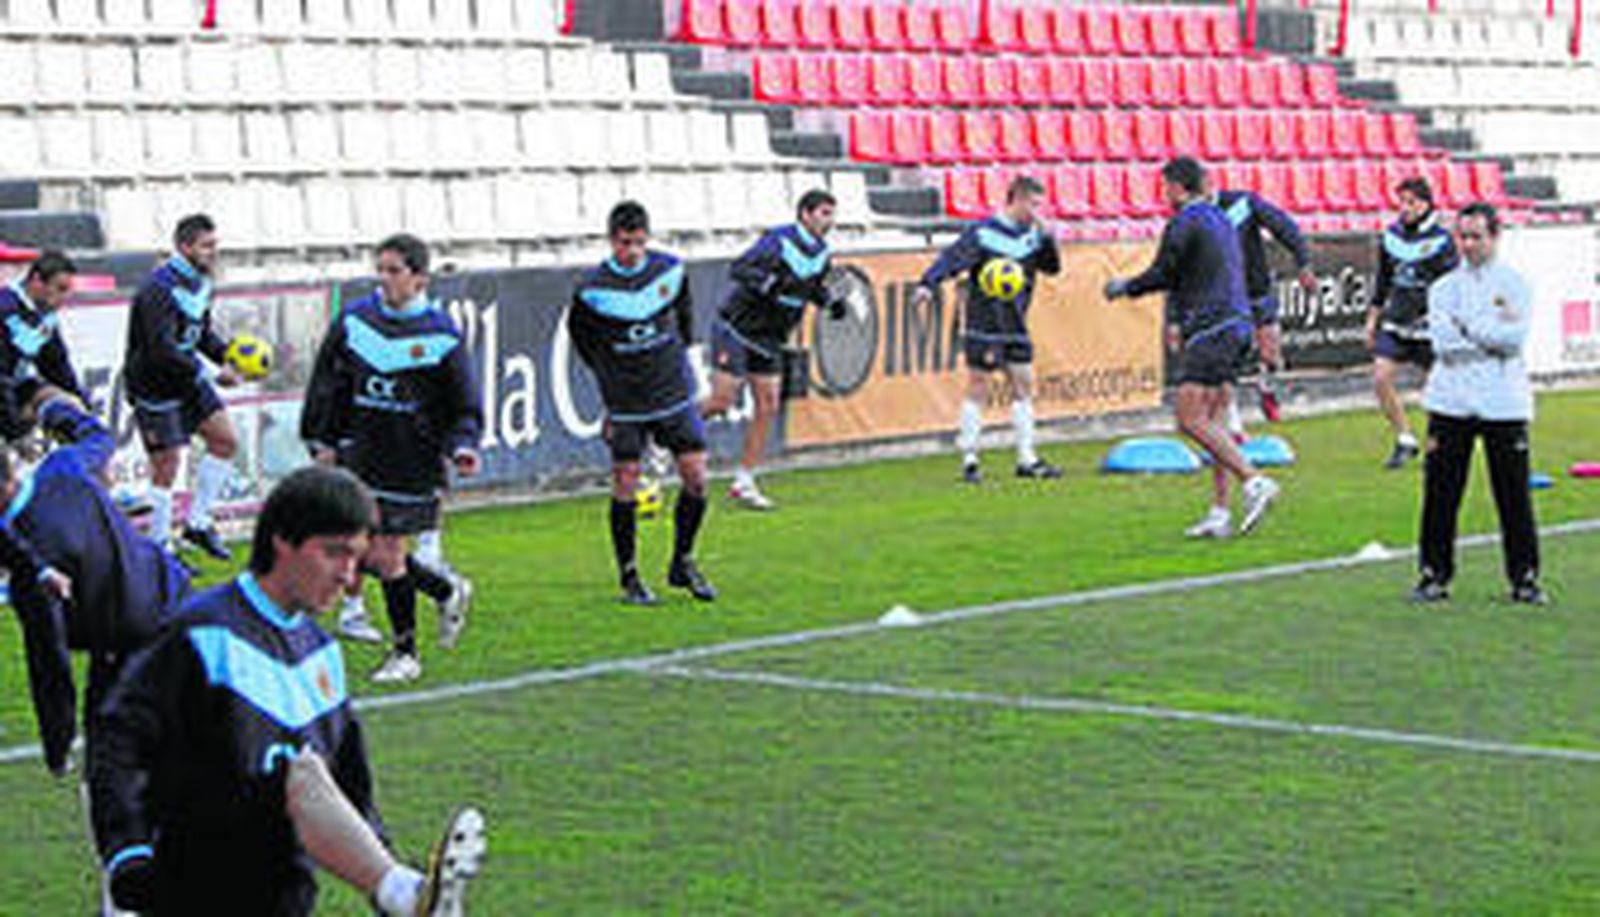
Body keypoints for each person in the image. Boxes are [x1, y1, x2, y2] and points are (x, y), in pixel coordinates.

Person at [88, 466, 486, 915]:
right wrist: (128, 855)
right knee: (302, 775)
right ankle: (404, 895)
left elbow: (351, 788)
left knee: (309, 773)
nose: (347, 576)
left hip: (282, 900)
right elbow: (116, 741)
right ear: (282, 541)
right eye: (334, 553)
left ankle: (403, 894)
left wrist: (379, 857)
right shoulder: (202, 632)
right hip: (189, 889)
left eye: (356, 558)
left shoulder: (323, 655)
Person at [302, 234, 481, 683]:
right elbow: (329, 383)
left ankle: (407, 653)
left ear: (419, 278)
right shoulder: (355, 322)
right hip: (360, 452)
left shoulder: (441, 334)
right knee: (368, 551)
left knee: (383, 553)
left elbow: (464, 401)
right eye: (380, 270)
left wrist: (463, 445)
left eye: (394, 271)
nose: (384, 279)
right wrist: (321, 437)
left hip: (411, 459)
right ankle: (443, 589)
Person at [0, 393, 189, 777]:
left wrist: (58, 741)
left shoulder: (30, 556)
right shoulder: (62, 466)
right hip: (175, 594)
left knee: (116, 765)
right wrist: (56, 411)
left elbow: (49, 658)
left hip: (132, 637)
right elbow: (98, 436)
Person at [1104, 157, 1281, 538]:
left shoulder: (1184, 221)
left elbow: (1164, 273)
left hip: (1211, 328)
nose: (1163, 194)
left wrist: (1125, 287)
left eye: (1165, 187)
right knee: (1215, 422)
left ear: (1178, 187)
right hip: (1237, 324)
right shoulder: (1221, 219)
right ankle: (1219, 513)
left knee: (1189, 418)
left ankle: (1254, 481)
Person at [569, 201, 716, 606]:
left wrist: (684, 364)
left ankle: (682, 561)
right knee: (626, 480)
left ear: (647, 238)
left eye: (637, 242)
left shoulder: (670, 270)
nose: (630, 251)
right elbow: (584, 342)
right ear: (610, 240)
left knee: (697, 477)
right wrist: (609, 391)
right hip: (627, 399)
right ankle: (629, 575)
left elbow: (685, 320)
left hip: (672, 390)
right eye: (622, 243)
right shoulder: (591, 290)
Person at [1413, 202, 1545, 605]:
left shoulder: (1515, 283)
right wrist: (1487, 336)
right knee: (1441, 494)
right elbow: (1444, 345)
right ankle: (1434, 574)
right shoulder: (1443, 288)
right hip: (1450, 400)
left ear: (1495, 237)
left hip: (1503, 402)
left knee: (1513, 495)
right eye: (1463, 236)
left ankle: (1524, 577)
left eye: (1476, 236)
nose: (1468, 244)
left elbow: (1513, 339)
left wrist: (1470, 327)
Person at [912, 174, 1064, 484]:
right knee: (978, 385)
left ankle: (1026, 458)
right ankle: (969, 458)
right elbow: (952, 259)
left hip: (1016, 322)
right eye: (1033, 204)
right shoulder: (983, 233)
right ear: (1017, 199)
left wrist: (1049, 240)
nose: (1037, 211)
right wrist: (929, 284)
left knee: (1023, 385)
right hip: (984, 322)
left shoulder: (1033, 235)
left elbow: (1052, 268)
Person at [699, 189, 842, 510]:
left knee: (767, 404)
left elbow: (812, 288)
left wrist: (830, 302)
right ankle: (663, 436)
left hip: (770, 337)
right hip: (737, 327)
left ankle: (744, 481)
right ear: (805, 214)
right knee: (721, 401)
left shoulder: (822, 253)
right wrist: (769, 284)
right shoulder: (778, 241)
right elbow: (740, 268)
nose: (829, 221)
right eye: (823, 213)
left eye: (832, 214)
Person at [124, 213, 245, 561]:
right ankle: (161, 548)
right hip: (155, 385)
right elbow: (160, 350)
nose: (213, 253)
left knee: (225, 441)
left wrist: (229, 357)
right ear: (184, 246)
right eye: (206, 246)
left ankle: (198, 522)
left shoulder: (201, 282)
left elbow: (200, 333)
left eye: (215, 245)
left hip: (187, 379)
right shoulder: (157, 289)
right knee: (167, 466)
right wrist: (209, 374)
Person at [1367, 177, 1459, 469]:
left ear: (1425, 203)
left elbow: (1453, 286)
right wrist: (1371, 320)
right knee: (1381, 378)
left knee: (1437, 390)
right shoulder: (1391, 237)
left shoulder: (1442, 241)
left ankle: (1437, 445)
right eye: (1401, 202)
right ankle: (1405, 439)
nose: (1404, 209)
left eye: (1410, 202)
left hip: (1429, 327)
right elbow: (1382, 282)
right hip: (1396, 322)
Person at [1210, 182, 1317, 421]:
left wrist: (1303, 263)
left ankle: (1267, 389)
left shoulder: (1243, 203)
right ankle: (1232, 420)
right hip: (1224, 296)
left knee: (1271, 354)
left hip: (1257, 288)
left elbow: (1285, 227)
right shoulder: (1195, 217)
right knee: (1226, 357)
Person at [0, 250, 93, 442]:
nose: (65, 297)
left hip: (15, 387)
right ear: (36, 281)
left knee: (70, 405)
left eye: (68, 290)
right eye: (60, 288)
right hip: (4, 390)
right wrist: (15, 431)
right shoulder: (6, 309)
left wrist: (82, 403)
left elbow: (56, 365)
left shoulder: (46, 315)